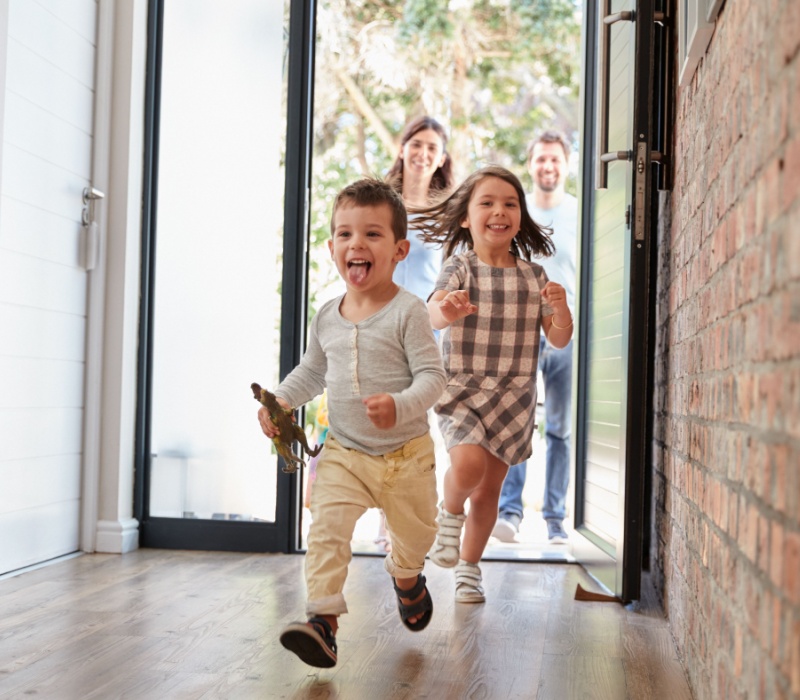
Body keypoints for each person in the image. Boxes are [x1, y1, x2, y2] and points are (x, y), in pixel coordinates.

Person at [258, 179, 446, 667]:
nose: (356, 244)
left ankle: (407, 577)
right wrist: (279, 401)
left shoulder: (410, 312)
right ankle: (323, 622)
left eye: (372, 235)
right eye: (345, 235)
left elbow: (433, 377)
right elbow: (313, 372)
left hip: (406, 456)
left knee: (417, 536)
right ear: (331, 248)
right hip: (344, 451)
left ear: (400, 250)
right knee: (326, 528)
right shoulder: (326, 316)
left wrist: (401, 404)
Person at [414, 165, 574, 603]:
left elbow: (558, 339)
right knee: (467, 468)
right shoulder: (459, 266)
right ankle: (449, 514)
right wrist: (448, 308)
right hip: (463, 392)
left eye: (509, 203)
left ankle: (469, 568)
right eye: (486, 202)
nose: (498, 211)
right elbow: (432, 314)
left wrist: (560, 310)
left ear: (520, 216)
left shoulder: (535, 277)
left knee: (489, 491)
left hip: (514, 398)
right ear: (466, 217)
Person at [492, 131, 578, 545]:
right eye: (541, 159)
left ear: (567, 164)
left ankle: (555, 519)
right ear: (531, 164)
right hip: (521, 333)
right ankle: (509, 513)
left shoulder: (581, 214)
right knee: (516, 423)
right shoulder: (516, 214)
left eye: (555, 159)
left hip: (564, 333)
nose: (548, 166)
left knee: (560, 428)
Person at [374, 116, 454, 553]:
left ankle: (410, 521)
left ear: (441, 158)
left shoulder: (446, 215)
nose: (423, 153)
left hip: (422, 326)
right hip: (379, 321)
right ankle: (388, 524)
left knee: (413, 424)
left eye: (432, 147)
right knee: (384, 423)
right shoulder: (383, 204)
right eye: (416, 144)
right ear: (403, 148)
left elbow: (449, 274)